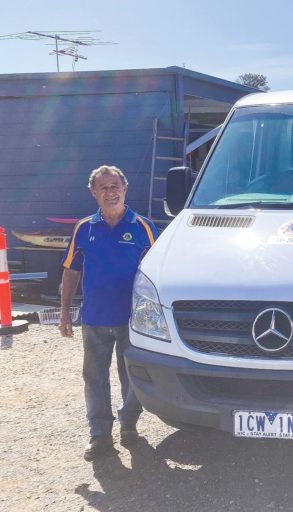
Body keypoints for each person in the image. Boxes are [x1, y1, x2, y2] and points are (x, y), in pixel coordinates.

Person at [59, 165, 159, 461]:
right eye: (103, 187)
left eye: (115, 186)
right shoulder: (84, 228)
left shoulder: (144, 227)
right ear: (93, 193)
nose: (110, 191)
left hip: (133, 321)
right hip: (94, 320)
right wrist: (65, 312)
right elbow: (70, 272)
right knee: (94, 378)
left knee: (133, 377)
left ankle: (129, 426)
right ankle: (99, 435)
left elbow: (158, 272)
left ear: (125, 189)